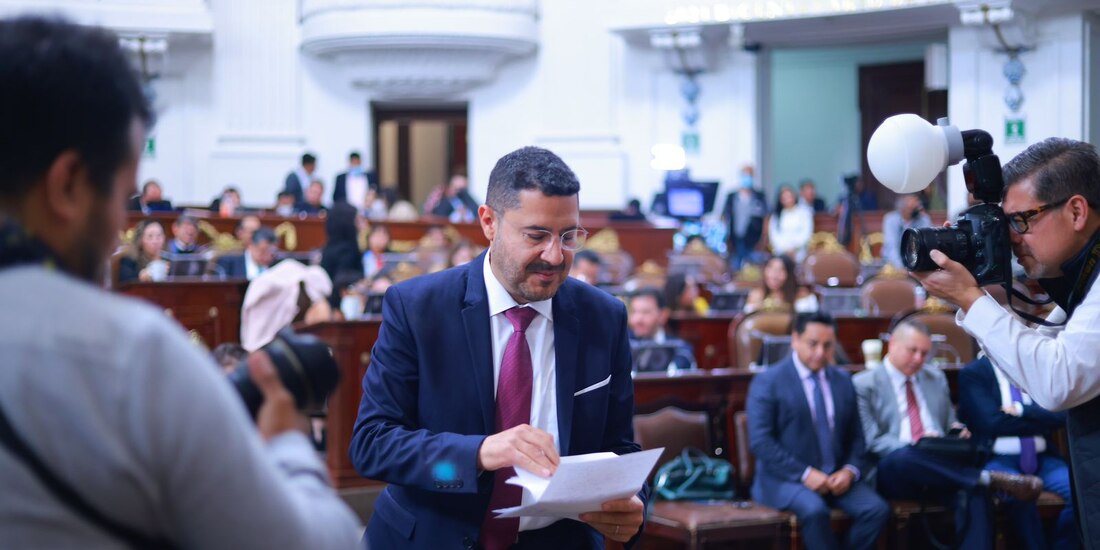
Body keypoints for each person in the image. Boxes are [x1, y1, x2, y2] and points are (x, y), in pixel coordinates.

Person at [0, 16, 359, 547]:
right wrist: (286, 445)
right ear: (69, 186)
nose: (118, 232)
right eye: (119, 197)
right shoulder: (130, 355)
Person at [350, 146, 646, 549]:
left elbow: (619, 447)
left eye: (568, 236)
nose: (555, 255)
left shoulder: (603, 317)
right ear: (489, 222)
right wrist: (480, 452)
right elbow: (372, 443)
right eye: (536, 235)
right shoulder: (419, 308)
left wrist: (633, 504)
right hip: (433, 536)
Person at [911, 138, 1100, 543]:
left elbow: (1056, 381)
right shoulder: (1083, 282)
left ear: (1077, 211)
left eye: (1020, 221)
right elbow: (1043, 346)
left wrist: (969, 297)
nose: (1013, 240)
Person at [853, 321, 1043, 550]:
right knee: (905, 457)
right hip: (895, 469)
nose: (918, 359)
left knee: (975, 491)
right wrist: (917, 445)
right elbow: (873, 440)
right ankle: (985, 476)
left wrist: (956, 432)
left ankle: (981, 480)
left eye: (924, 353)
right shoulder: (864, 384)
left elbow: (948, 422)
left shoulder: (934, 377)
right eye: (912, 351)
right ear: (892, 344)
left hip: (940, 464)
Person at [746, 311, 889, 550]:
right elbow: (761, 442)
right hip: (784, 479)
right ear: (795, 340)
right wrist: (805, 474)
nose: (820, 353)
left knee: (876, 510)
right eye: (813, 344)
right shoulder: (768, 382)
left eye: (828, 345)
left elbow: (857, 438)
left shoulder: (842, 381)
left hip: (835, 477)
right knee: (814, 511)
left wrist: (850, 471)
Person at [958, 356, 1077, 550]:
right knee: (1017, 492)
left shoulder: (1035, 369)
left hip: (1043, 459)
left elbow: (1061, 415)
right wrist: (1040, 418)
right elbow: (991, 422)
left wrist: (1022, 410)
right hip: (999, 459)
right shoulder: (974, 373)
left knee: (1079, 489)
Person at [627, 288, 696, 370]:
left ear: (663, 315)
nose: (637, 319)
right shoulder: (623, 344)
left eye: (645, 312)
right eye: (634, 312)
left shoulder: (680, 349)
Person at [721, 165, 768, 270]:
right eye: (745, 175)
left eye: (749, 175)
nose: (747, 178)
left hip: (754, 239)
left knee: (754, 270)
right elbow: (724, 216)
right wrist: (726, 237)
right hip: (735, 239)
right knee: (735, 269)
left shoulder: (759, 196)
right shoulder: (731, 196)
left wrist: (764, 238)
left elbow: (766, 217)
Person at [320, 202, 365, 309]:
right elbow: (342, 281)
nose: (360, 224)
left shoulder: (330, 246)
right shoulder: (347, 250)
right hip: (339, 306)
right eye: (357, 220)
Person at [744, 255, 819, 313]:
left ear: (790, 275)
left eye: (781, 270)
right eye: (771, 268)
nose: (774, 275)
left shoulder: (802, 295)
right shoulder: (757, 295)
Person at [881, 193, 932, 267]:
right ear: (903, 207)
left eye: (918, 201)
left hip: (916, 265)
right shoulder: (890, 220)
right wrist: (900, 267)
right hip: (892, 265)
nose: (918, 205)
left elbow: (927, 244)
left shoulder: (924, 219)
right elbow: (891, 246)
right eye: (914, 201)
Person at [768, 184, 814, 262]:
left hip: (799, 252)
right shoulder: (776, 216)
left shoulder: (804, 212)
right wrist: (785, 249)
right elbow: (774, 236)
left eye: (789, 196)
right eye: (784, 197)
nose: (788, 199)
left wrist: (794, 248)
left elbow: (806, 233)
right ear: (780, 199)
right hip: (781, 252)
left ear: (794, 196)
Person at [118, 219, 166, 284]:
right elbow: (126, 280)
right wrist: (140, 277)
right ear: (140, 240)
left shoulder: (169, 259)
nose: (155, 241)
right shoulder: (130, 259)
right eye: (150, 236)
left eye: (159, 236)